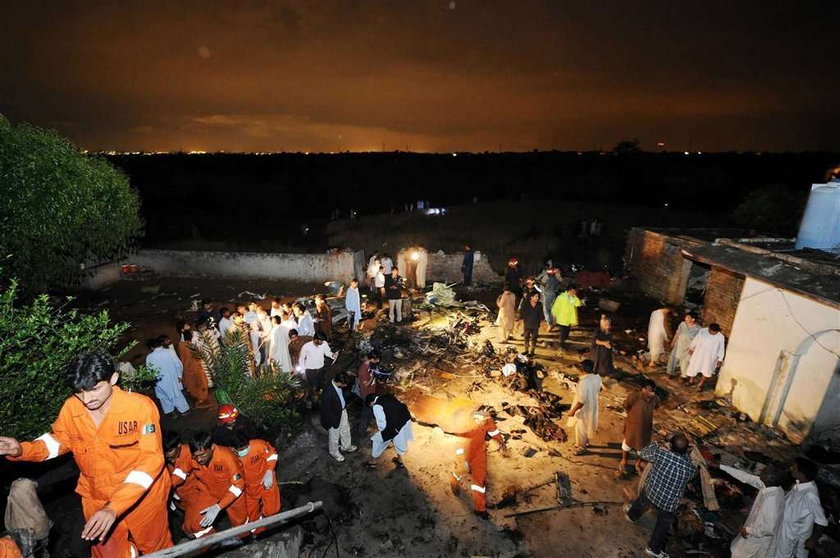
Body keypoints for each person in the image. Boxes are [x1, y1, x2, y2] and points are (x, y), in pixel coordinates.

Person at [0, 353, 173, 557]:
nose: (87, 399)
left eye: (94, 389)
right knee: (107, 553)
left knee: (156, 548)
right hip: (96, 498)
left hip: (143, 498)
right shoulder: (72, 407)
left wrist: (114, 507)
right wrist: (22, 450)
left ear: (113, 379)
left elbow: (150, 461)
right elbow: (58, 441)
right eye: (79, 392)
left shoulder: (139, 407)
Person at [625, 433, 697, 558]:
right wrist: (686, 453)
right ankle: (653, 549)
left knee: (642, 501)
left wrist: (658, 443)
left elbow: (642, 453)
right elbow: (692, 475)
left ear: (670, 445)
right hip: (668, 503)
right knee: (663, 525)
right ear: (686, 450)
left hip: (651, 491)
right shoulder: (689, 468)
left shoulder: (660, 454)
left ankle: (631, 516)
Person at [183, 431, 248, 538]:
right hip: (209, 491)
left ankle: (243, 541)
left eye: (203, 455)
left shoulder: (227, 457)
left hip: (232, 495)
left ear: (212, 447)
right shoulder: (192, 458)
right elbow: (181, 472)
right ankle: (210, 546)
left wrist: (218, 507)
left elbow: (238, 485)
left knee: (240, 523)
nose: (199, 459)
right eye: (196, 456)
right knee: (194, 523)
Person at [717, 463, 786, 558]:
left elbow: (769, 528)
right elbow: (746, 477)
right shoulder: (771, 487)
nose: (761, 471)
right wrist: (721, 467)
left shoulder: (771, 499)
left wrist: (749, 530)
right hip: (753, 535)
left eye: (765, 471)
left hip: (756, 539)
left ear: (769, 478)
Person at [449, 408, 507, 520]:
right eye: (479, 419)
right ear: (473, 417)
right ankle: (454, 478)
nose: (482, 421)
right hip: (465, 452)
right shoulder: (463, 424)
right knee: (460, 471)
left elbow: (492, 430)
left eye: (484, 418)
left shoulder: (486, 418)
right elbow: (458, 443)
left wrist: (500, 441)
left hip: (479, 453)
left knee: (480, 481)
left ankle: (480, 509)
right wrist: (462, 460)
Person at [771, 457, 828, 558]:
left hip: (792, 536)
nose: (791, 468)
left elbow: (822, 521)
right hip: (784, 530)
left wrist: (812, 540)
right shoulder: (798, 485)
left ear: (802, 474)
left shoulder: (810, 494)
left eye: (794, 467)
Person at [231, 431, 281, 532]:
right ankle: (259, 533)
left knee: (272, 510)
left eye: (246, 447)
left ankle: (272, 522)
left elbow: (272, 455)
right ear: (233, 449)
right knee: (252, 517)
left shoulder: (258, 445)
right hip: (249, 489)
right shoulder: (230, 457)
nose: (245, 451)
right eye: (241, 449)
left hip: (266, 481)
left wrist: (269, 471)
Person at [620, 379, 660, 474]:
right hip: (633, 425)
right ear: (643, 389)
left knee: (642, 447)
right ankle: (624, 461)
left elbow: (656, 407)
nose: (652, 393)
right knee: (627, 444)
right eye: (650, 390)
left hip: (645, 427)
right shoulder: (634, 397)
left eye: (653, 390)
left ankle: (637, 463)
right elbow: (626, 406)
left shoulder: (655, 399)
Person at [365, 394, 413, 469]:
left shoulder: (376, 406)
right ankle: (399, 461)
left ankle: (373, 462)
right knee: (399, 441)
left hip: (396, 425)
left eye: (370, 406)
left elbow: (382, 424)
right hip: (405, 417)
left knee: (378, 440)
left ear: (371, 403)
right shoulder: (387, 395)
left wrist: (384, 434)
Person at [146, 336, 190, 417]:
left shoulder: (149, 357)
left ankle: (171, 412)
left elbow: (149, 371)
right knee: (176, 394)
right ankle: (184, 410)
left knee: (164, 397)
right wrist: (179, 375)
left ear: (152, 347)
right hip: (172, 378)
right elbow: (178, 364)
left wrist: (152, 381)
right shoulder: (169, 352)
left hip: (159, 381)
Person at [320, 372, 357, 462]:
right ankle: (334, 452)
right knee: (334, 436)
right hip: (334, 416)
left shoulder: (338, 385)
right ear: (339, 382)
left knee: (345, 429)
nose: (345, 386)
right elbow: (326, 410)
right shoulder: (328, 392)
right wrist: (330, 422)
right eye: (344, 384)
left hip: (342, 411)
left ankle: (346, 446)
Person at [568, 359, 602, 455]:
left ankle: (581, 447)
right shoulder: (597, 377)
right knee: (587, 424)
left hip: (584, 408)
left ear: (583, 369)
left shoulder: (584, 382)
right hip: (593, 404)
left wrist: (573, 411)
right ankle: (585, 442)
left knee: (580, 427)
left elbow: (581, 401)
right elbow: (599, 389)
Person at [685, 323, 726, 391]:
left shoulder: (721, 337)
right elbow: (696, 340)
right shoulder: (702, 331)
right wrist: (691, 348)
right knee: (693, 367)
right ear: (709, 329)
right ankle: (691, 381)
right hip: (699, 354)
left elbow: (721, 348)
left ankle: (700, 385)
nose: (714, 333)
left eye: (715, 332)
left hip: (710, 357)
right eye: (713, 332)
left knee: (707, 370)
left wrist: (720, 359)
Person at [299, 331, 338, 403]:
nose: (322, 342)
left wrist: (332, 355)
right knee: (312, 387)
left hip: (320, 369)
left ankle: (318, 399)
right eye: (321, 341)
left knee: (319, 386)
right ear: (315, 339)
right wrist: (303, 372)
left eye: (323, 341)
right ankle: (311, 400)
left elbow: (327, 352)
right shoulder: (306, 346)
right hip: (310, 370)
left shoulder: (324, 344)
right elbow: (301, 359)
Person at [177, 330, 211, 408]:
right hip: (195, 369)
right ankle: (201, 401)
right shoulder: (191, 346)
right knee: (201, 384)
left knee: (192, 386)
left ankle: (198, 400)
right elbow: (198, 357)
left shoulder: (180, 345)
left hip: (187, 369)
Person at [354, 350, 382, 437]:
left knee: (370, 410)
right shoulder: (363, 370)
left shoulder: (368, 363)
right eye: (377, 359)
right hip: (367, 395)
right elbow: (366, 385)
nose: (378, 361)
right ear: (372, 359)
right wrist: (373, 376)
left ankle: (370, 423)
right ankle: (361, 431)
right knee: (365, 413)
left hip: (371, 392)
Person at [666, 312, 701, 376]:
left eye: (688, 317)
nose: (685, 318)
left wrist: (693, 349)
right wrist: (673, 342)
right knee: (673, 358)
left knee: (684, 361)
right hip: (678, 344)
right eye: (686, 317)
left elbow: (698, 340)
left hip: (687, 347)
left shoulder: (698, 329)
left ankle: (683, 375)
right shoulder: (682, 324)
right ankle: (670, 372)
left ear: (693, 319)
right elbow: (678, 333)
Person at [552, 286, 583, 350]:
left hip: (567, 319)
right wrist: (554, 315)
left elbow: (578, 304)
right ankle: (561, 346)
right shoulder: (564, 297)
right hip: (564, 318)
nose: (575, 292)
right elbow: (556, 306)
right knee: (563, 333)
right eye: (574, 291)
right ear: (570, 290)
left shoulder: (567, 297)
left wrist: (575, 297)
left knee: (566, 332)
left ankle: (563, 344)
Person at [520, 291, 543, 356]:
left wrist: (542, 322)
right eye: (536, 297)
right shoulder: (526, 304)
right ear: (531, 297)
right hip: (527, 324)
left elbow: (541, 315)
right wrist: (520, 321)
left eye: (538, 297)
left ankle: (532, 351)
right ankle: (526, 350)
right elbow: (522, 313)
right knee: (526, 337)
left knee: (534, 338)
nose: (537, 298)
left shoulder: (539, 305)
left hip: (535, 325)